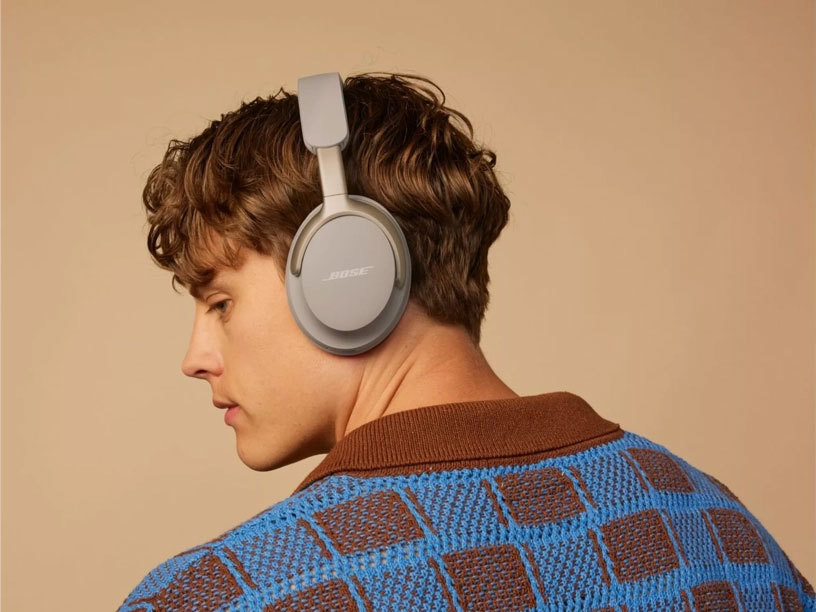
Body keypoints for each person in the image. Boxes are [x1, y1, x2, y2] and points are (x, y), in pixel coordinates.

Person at [117, 72, 814, 611]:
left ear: (347, 275)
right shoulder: (726, 531)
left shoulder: (221, 596)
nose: (194, 359)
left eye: (220, 302)